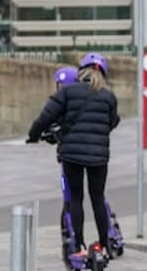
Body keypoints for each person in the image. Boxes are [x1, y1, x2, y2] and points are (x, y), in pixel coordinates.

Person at [27, 53, 120, 260]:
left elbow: (46, 116)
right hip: (99, 156)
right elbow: (112, 122)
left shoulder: (68, 92)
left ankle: (78, 246)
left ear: (80, 72)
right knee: (98, 199)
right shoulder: (108, 96)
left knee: (76, 199)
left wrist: (33, 135)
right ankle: (105, 246)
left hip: (72, 154)